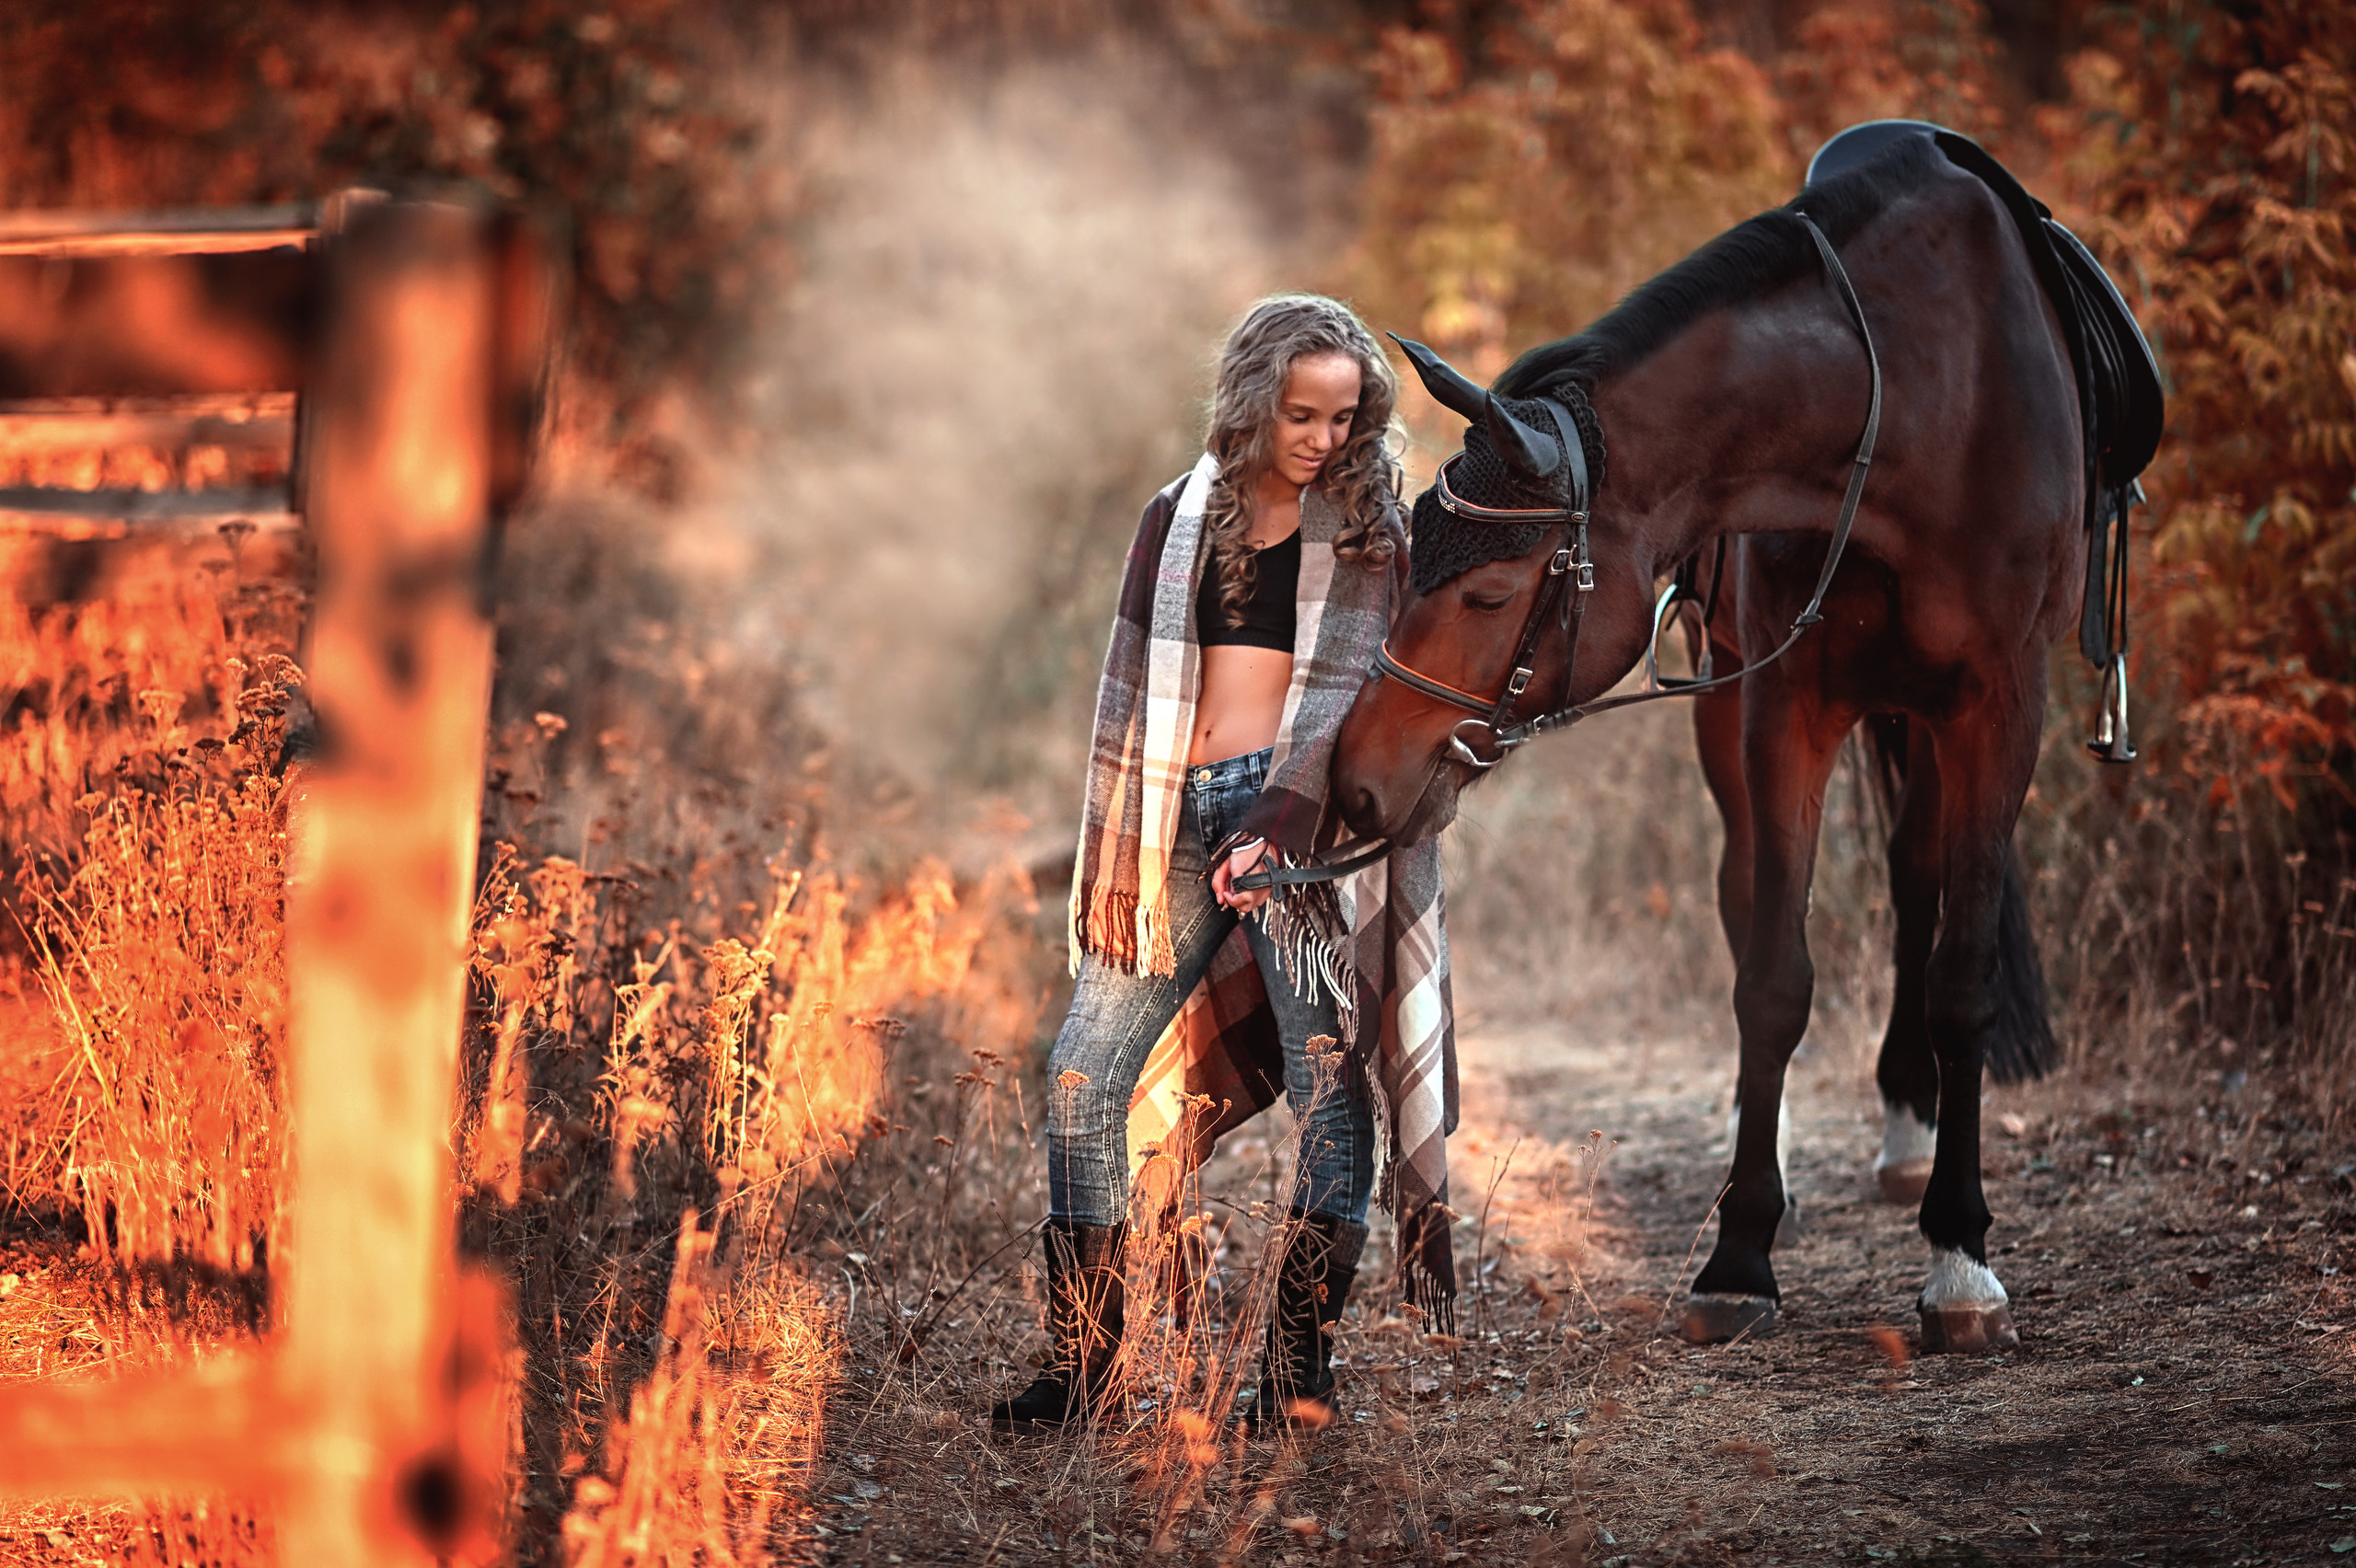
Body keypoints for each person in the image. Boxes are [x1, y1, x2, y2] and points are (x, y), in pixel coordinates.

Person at [989, 294, 1460, 1435]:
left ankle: (1296, 1376)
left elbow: (1378, 701)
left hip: (1292, 836)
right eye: (1302, 415)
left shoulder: (1370, 534)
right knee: (1079, 1079)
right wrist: (1131, 831)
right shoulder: (1176, 516)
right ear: (1253, 404)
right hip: (1168, 828)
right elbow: (1132, 690)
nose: (1323, 440)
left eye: (1346, 419)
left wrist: (1288, 815)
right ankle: (1086, 1368)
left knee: (1329, 1086)